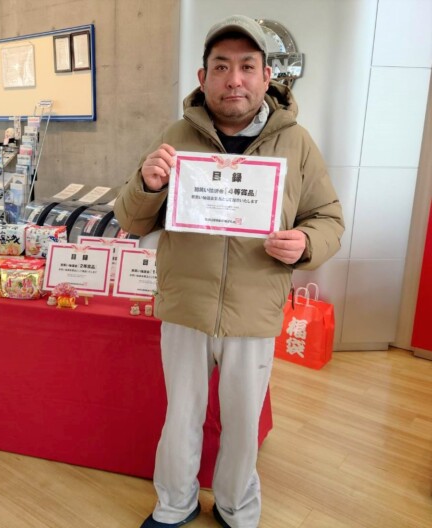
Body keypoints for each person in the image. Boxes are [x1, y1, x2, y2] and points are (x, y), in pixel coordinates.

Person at [114, 14, 344, 528]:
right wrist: (147, 186)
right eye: (220, 67)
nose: (233, 79)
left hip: (254, 308)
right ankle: (175, 504)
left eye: (246, 66)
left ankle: (237, 507)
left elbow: (328, 218)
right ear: (203, 78)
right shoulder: (176, 136)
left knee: (242, 423)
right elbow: (130, 219)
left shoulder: (297, 143)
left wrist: (306, 242)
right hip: (186, 306)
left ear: (267, 76)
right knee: (181, 415)